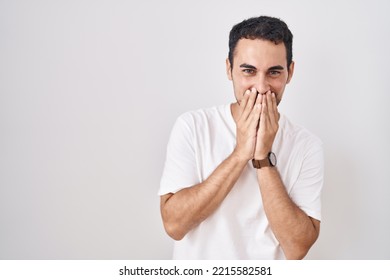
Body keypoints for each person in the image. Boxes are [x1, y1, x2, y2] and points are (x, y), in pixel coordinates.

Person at [158, 16, 324, 260]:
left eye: (274, 72)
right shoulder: (193, 126)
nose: (260, 86)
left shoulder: (307, 145)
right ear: (229, 69)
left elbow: (297, 248)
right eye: (248, 71)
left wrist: (262, 159)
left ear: (290, 72)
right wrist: (240, 153)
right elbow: (174, 226)